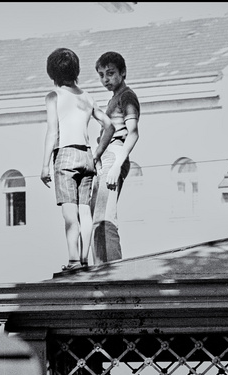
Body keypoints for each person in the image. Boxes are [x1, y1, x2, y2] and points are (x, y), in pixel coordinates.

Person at [40, 47, 114, 272]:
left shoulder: (53, 96)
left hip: (65, 155)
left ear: (52, 72)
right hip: (86, 155)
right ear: (76, 70)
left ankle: (72, 260)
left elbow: (53, 131)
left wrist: (45, 166)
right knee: (85, 210)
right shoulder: (86, 96)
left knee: (69, 212)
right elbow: (109, 125)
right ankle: (83, 260)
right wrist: (97, 152)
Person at [90, 51, 140, 265]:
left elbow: (133, 133)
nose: (105, 79)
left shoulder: (127, 96)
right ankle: (100, 268)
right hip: (107, 156)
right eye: (101, 75)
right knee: (96, 218)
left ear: (123, 72)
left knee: (105, 216)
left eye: (110, 73)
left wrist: (117, 165)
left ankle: (114, 271)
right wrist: (96, 156)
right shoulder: (113, 100)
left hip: (116, 155)